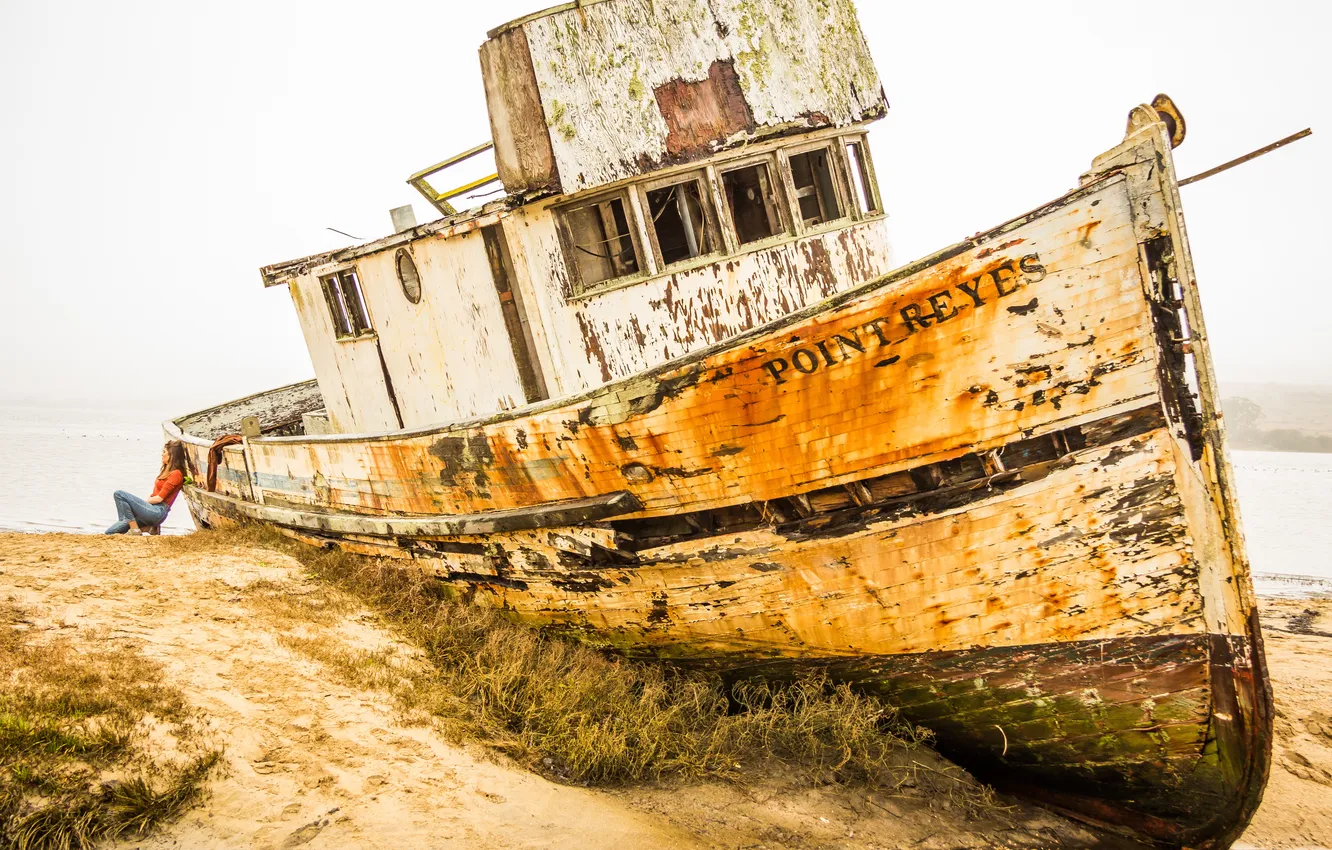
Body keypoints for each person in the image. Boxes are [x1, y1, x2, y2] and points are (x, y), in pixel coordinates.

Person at [105, 441, 189, 535]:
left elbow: (159, 499)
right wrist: (138, 507)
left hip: (157, 512)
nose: (162, 454)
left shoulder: (176, 474)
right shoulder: (166, 471)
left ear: (172, 455)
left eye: (164, 452)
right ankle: (145, 527)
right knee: (109, 532)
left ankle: (135, 529)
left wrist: (141, 504)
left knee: (119, 494)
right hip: (150, 510)